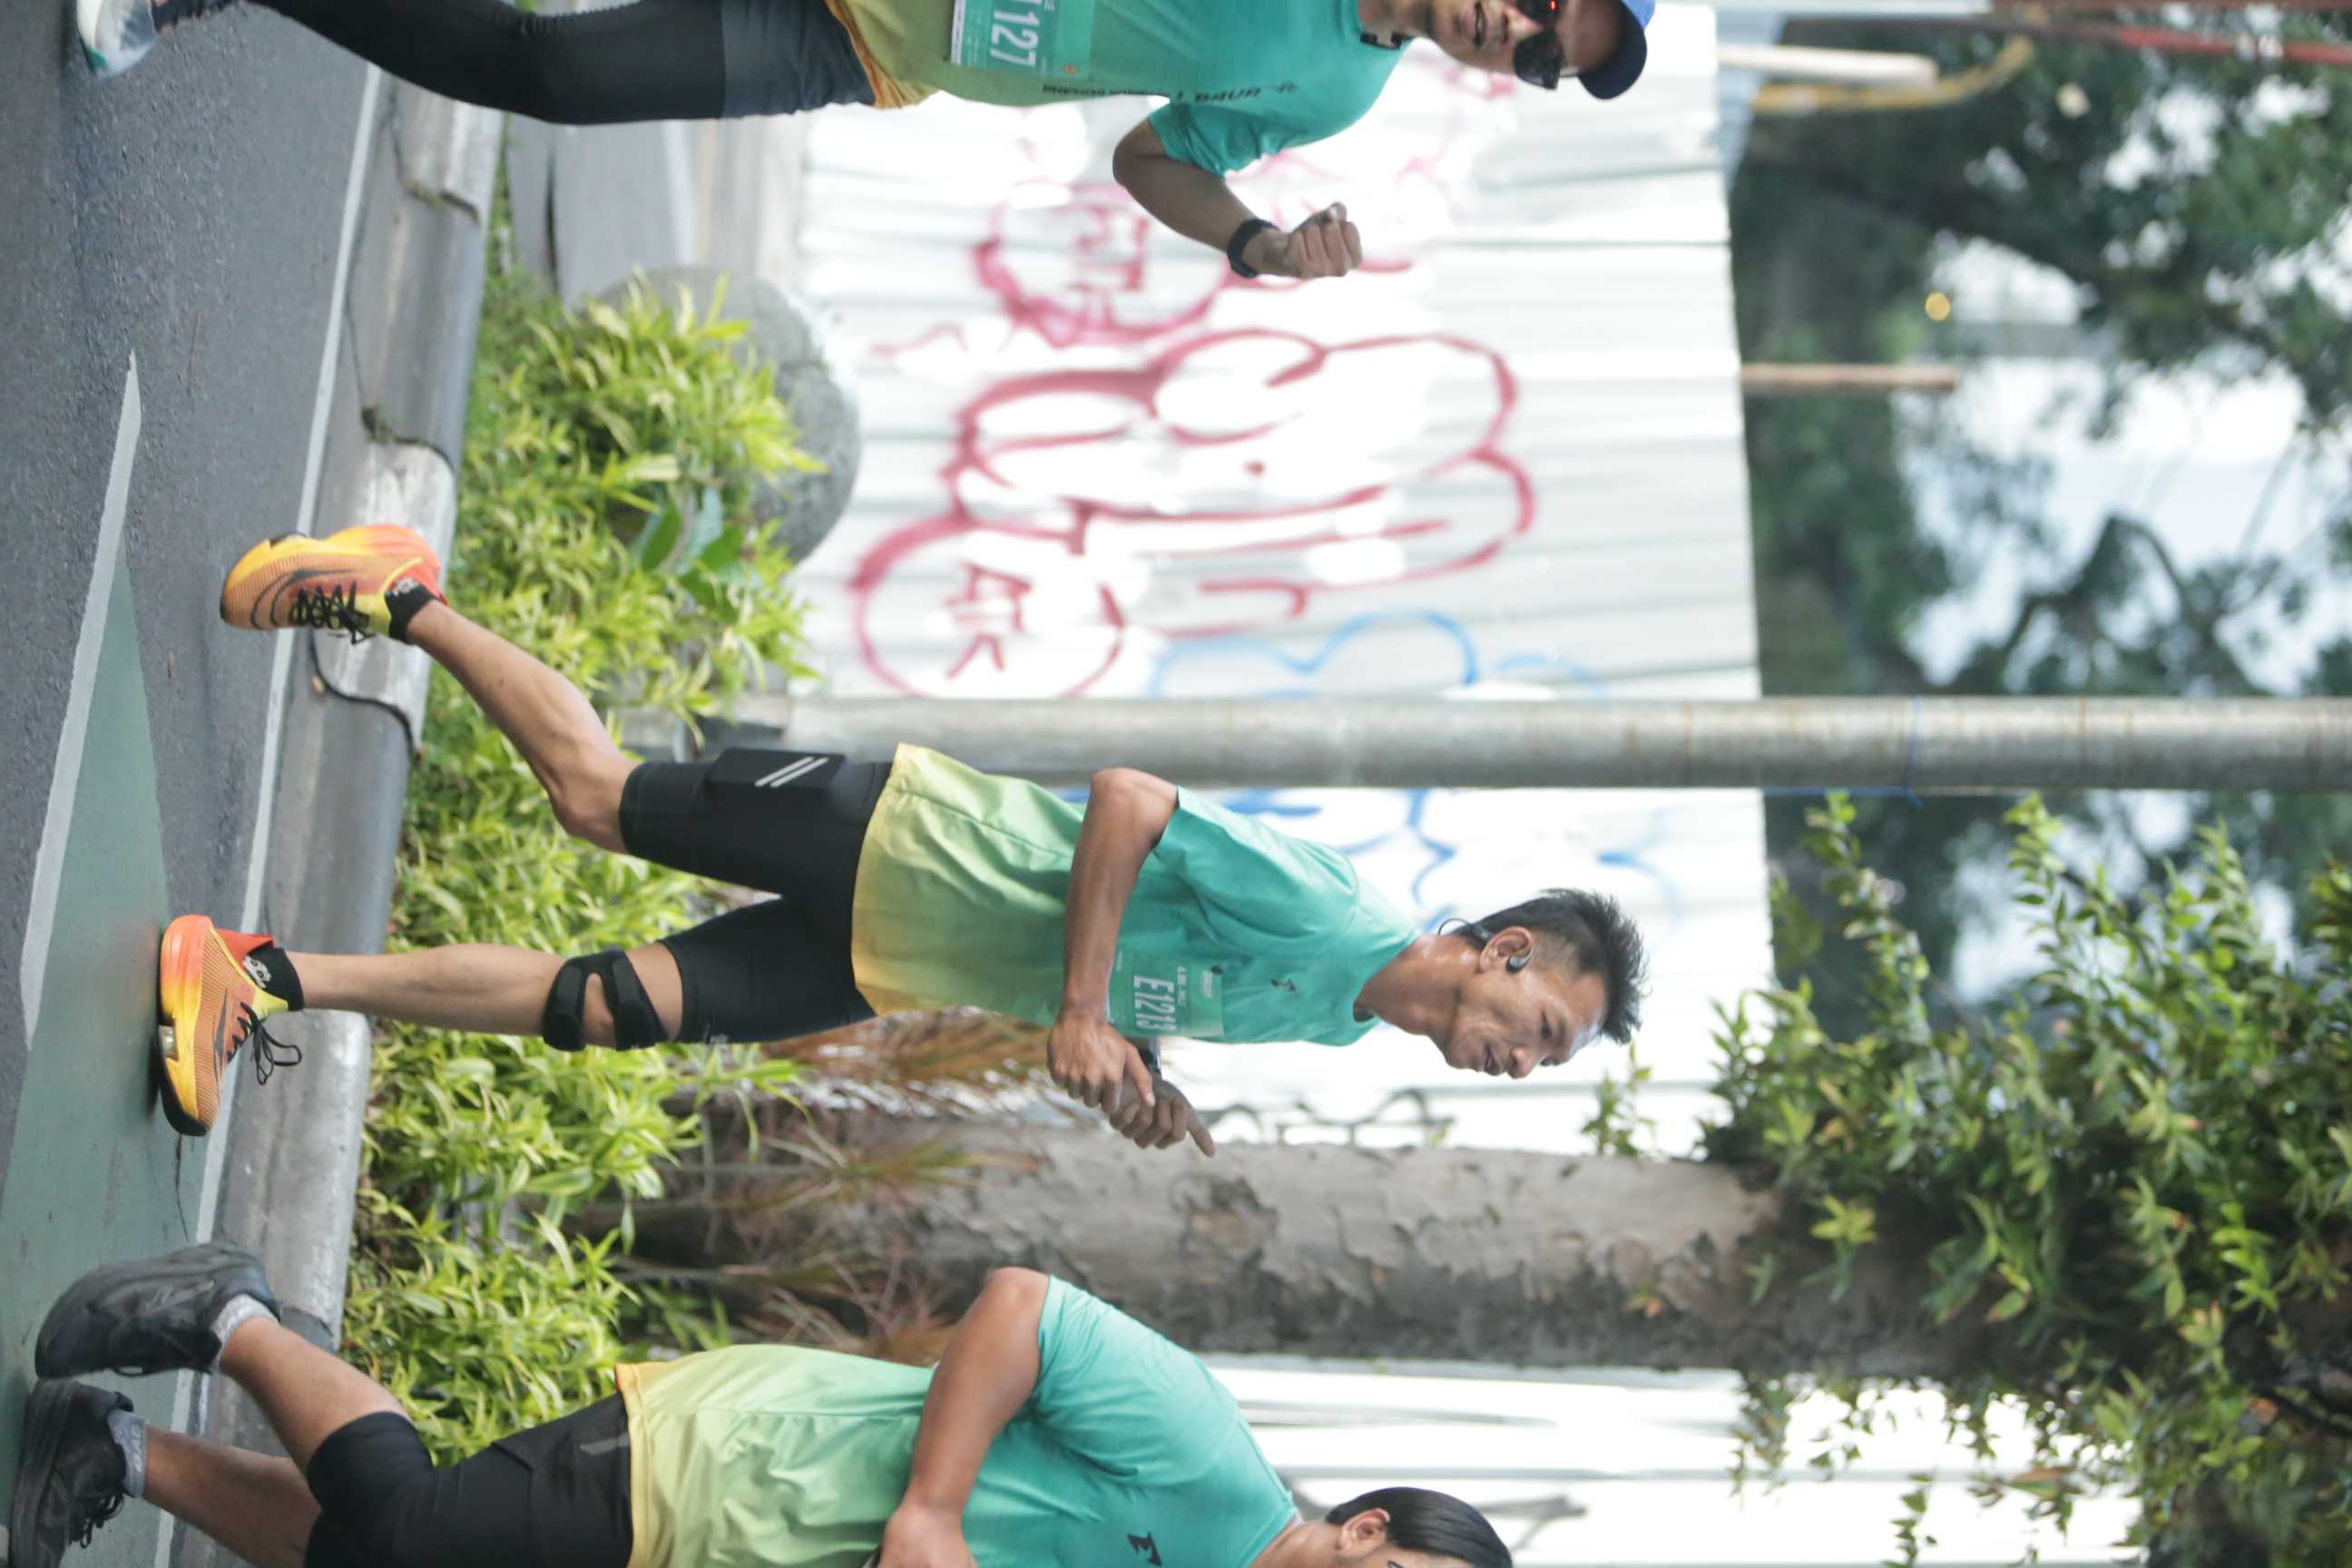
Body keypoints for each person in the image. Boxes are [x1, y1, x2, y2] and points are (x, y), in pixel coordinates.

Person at [158, 524, 1648, 1146]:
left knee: (600, 1008)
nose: (1520, 1062)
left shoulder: (1337, 1015)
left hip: (883, 964)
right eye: (1541, 1032)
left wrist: (1140, 1076)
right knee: (596, 798)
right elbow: (1129, 800)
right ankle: (394, 594)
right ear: (1504, 950)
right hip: (901, 843)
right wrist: (1082, 1007)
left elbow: (1145, 955)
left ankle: (261, 977)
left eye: (1542, 1064)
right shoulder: (1337, 918)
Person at [10, 1240, 1516, 1568]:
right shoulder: (1207, 1460)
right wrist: (930, 1513)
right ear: (1363, 1528)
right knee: (406, 1537)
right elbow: (1021, 1308)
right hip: (732, 1466)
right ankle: (231, 1315)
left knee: (387, 1562)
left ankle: (122, 1456)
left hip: (737, 1557)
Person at [71, 0, 1652, 284]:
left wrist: (1251, 240)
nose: (1509, 29)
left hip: (866, 44)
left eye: (1539, 55)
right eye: (1542, 4)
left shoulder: (1339, 98)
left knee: (545, 70)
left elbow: (1150, 159)